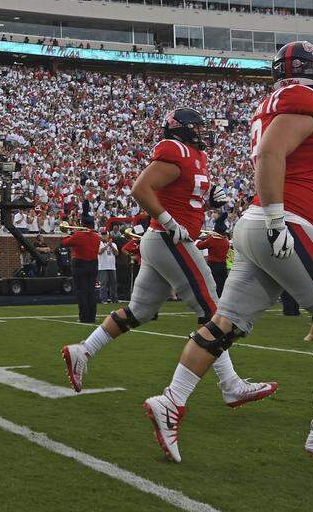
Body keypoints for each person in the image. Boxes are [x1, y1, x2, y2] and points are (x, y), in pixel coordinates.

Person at [139, 43, 313, 467]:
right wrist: (276, 218)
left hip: (264, 221)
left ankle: (171, 401)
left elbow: (290, 161)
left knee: (224, 325)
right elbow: (269, 154)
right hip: (282, 221)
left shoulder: (275, 103)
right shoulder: (303, 98)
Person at [61, 109, 275, 411]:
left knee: (140, 311)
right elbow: (140, 189)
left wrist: (209, 197)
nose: (203, 134)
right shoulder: (175, 150)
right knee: (213, 311)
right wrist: (168, 220)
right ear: (182, 130)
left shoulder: (197, 156)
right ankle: (230, 384)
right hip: (169, 238)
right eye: (197, 129)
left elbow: (184, 191)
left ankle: (84, 350)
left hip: (162, 240)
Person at [196, 228, 230, 296]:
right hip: (223, 265)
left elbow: (199, 246)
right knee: (221, 283)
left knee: (213, 283)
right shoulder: (226, 241)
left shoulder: (212, 240)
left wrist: (204, 238)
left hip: (213, 265)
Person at [97, 231, 118, 304]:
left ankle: (114, 299)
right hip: (103, 267)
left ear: (108, 236)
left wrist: (111, 245)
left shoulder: (114, 244)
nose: (104, 236)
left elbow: (116, 253)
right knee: (104, 284)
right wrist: (107, 246)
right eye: (103, 235)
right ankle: (104, 299)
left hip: (112, 267)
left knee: (113, 284)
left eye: (105, 235)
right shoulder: (99, 244)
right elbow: (99, 252)